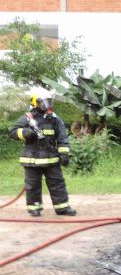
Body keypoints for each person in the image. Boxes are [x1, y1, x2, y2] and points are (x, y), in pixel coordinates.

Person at [8, 87, 76, 217]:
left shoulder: (54, 119)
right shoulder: (28, 118)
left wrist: (64, 153)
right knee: (33, 186)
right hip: (32, 159)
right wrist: (25, 133)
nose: (47, 105)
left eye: (49, 101)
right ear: (35, 102)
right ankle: (34, 208)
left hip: (51, 159)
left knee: (57, 183)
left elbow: (62, 137)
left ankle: (62, 208)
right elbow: (12, 132)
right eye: (44, 102)